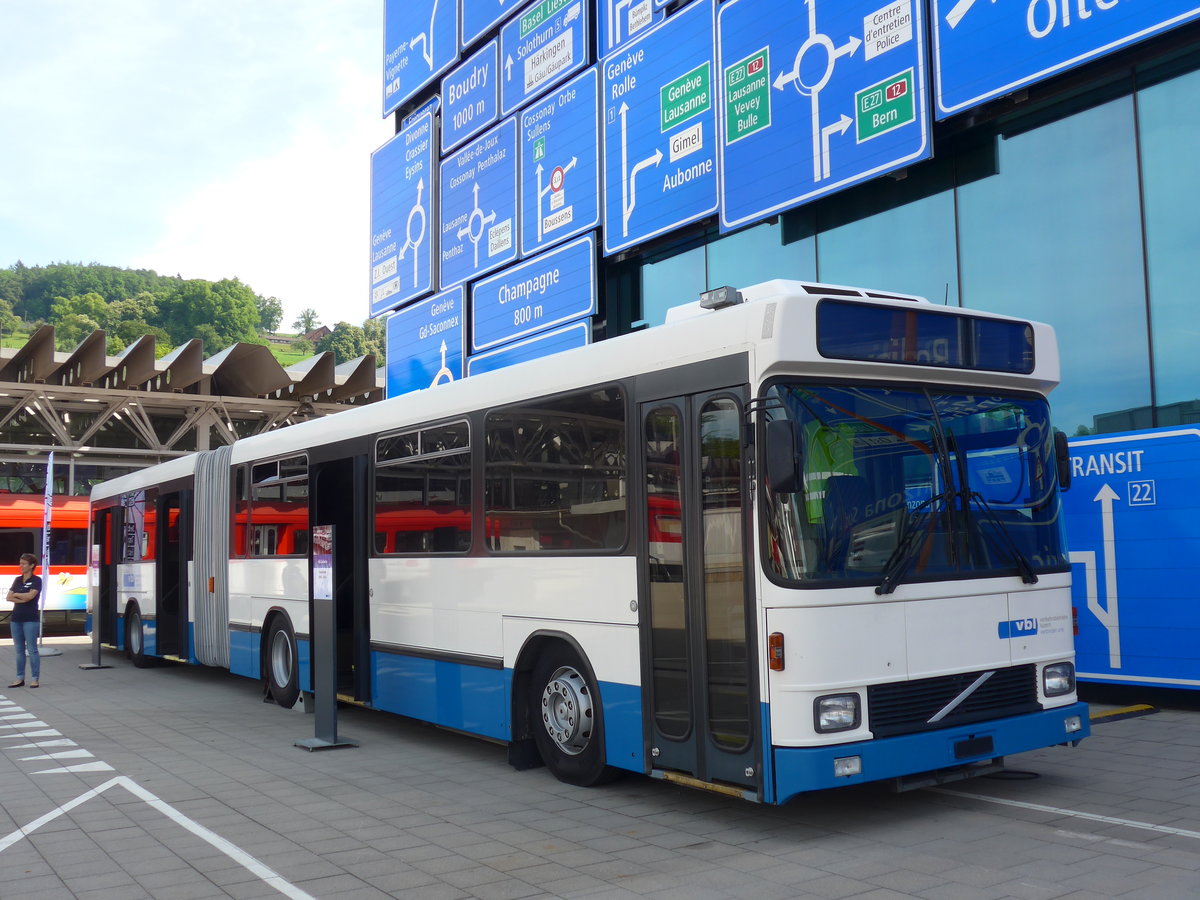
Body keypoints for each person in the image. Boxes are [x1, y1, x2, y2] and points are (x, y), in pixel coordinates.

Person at [7, 552, 42, 688]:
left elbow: (30, 597)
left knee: (32, 650)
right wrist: (22, 596)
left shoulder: (36, 580)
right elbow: (9, 597)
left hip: (30, 619)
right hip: (16, 619)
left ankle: (34, 678)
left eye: (23, 564)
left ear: (31, 565)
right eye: (20, 563)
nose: (20, 566)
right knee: (19, 650)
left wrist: (17, 595)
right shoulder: (17, 580)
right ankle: (19, 678)